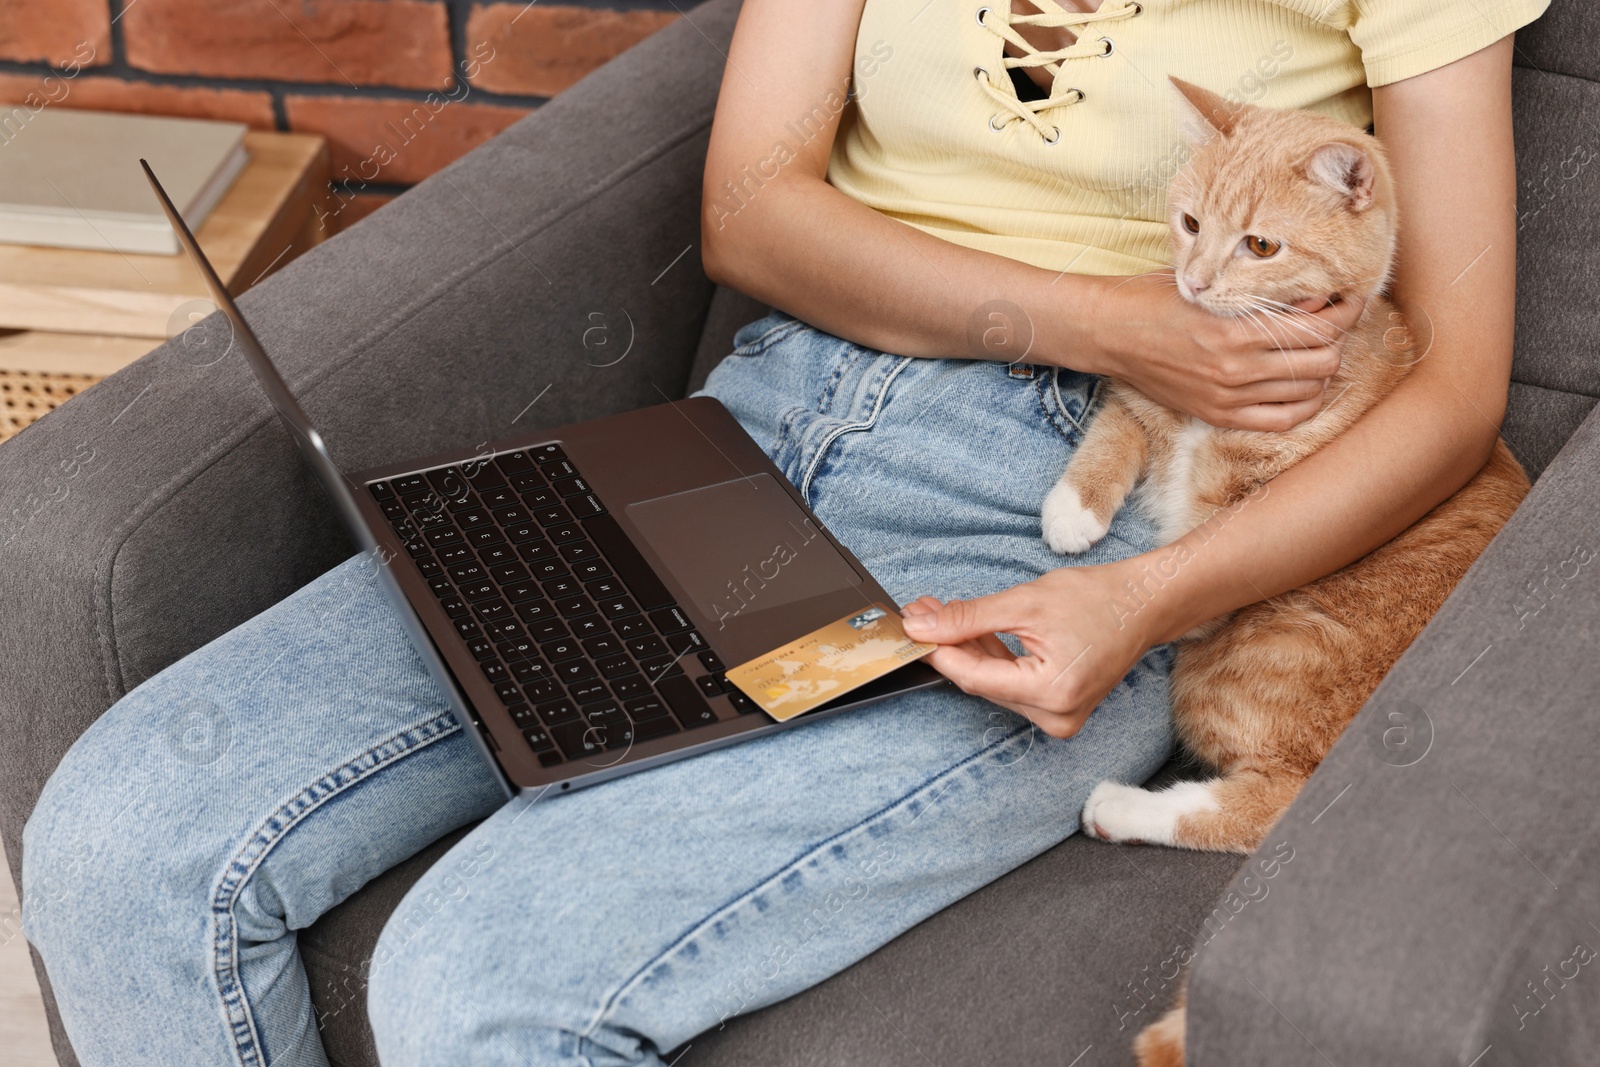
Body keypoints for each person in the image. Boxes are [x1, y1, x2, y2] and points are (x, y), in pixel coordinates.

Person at [22, 0, 1545, 1063]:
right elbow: (752, 210)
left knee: (480, 980)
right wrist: (1112, 318)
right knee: (112, 846)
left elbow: (1459, 390)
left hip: (1061, 510)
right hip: (754, 422)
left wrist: (1149, 595)